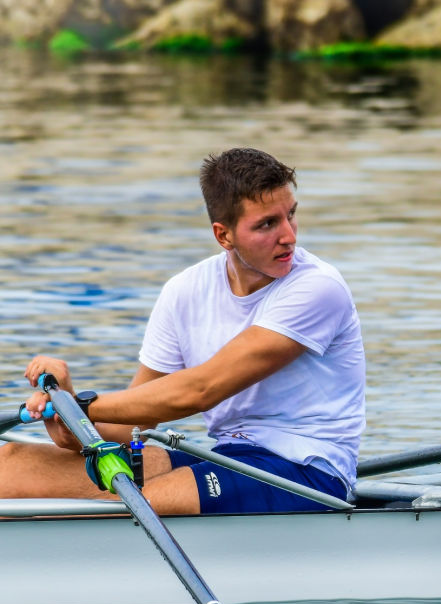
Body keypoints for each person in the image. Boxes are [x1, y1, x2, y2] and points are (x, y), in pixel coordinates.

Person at [0, 148, 365, 514]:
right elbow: (130, 427)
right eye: (267, 224)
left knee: (141, 504)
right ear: (224, 236)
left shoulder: (317, 289)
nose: (289, 236)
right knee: (12, 465)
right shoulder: (185, 290)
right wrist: (70, 414)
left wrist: (82, 408)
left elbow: (200, 390)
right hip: (229, 459)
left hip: (309, 471)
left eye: (291, 215)